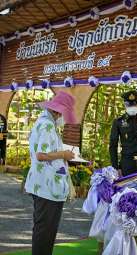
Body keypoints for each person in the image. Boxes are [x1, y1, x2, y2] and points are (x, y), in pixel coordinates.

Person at [25, 90, 78, 255]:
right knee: (45, 231)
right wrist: (63, 154)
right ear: (56, 111)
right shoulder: (48, 125)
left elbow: (46, 149)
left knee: (44, 229)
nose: (63, 118)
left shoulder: (45, 121)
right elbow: (41, 155)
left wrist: (66, 152)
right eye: (63, 113)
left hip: (44, 183)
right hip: (47, 186)